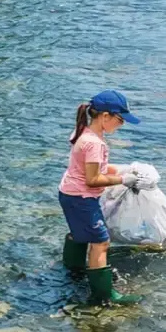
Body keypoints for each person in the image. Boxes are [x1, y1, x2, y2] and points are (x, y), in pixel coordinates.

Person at [57, 89, 142, 305]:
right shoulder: (95, 143)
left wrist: (122, 169)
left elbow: (89, 168)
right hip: (82, 198)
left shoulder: (84, 132)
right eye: (120, 120)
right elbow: (92, 179)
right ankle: (103, 295)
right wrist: (124, 180)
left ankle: (73, 272)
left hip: (69, 193)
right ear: (105, 116)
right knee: (101, 242)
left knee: (79, 233)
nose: (121, 125)